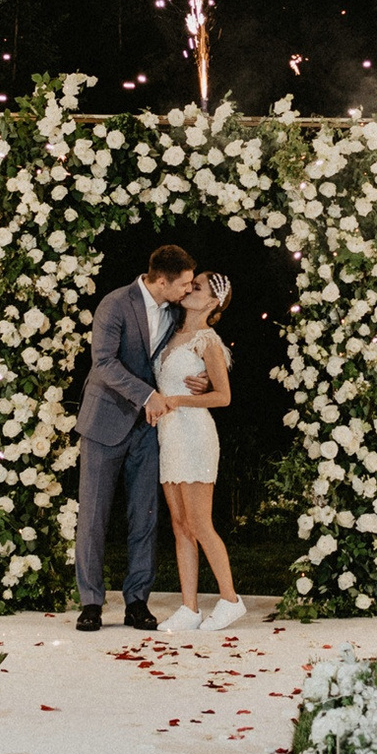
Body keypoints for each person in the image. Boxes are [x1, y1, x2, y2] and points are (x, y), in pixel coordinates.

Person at [72, 245, 198, 632]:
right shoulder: (114, 304)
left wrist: (202, 376)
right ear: (162, 280)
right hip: (105, 423)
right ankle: (91, 602)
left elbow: (184, 352)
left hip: (149, 428)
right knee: (93, 516)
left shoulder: (177, 311)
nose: (189, 291)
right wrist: (146, 395)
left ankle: (136, 601)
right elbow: (104, 362)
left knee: (144, 516)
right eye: (185, 284)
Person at [154, 271, 245, 632]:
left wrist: (174, 399)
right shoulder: (171, 334)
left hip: (194, 434)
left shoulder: (208, 340)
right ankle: (189, 608)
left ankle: (230, 599)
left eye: (199, 286)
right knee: (180, 526)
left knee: (199, 523)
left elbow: (223, 397)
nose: (190, 287)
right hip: (169, 435)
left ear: (211, 303)